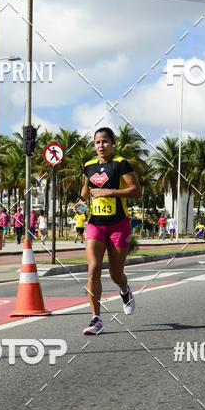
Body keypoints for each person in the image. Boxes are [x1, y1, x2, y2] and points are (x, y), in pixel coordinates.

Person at [73, 127, 141, 335]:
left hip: (118, 224)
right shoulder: (89, 166)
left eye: (105, 141)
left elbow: (136, 191)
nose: (101, 146)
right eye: (97, 142)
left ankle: (125, 290)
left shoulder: (121, 164)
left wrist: (109, 191)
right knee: (93, 269)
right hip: (95, 224)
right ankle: (96, 319)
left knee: (115, 274)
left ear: (113, 143)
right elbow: (85, 191)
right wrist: (79, 203)